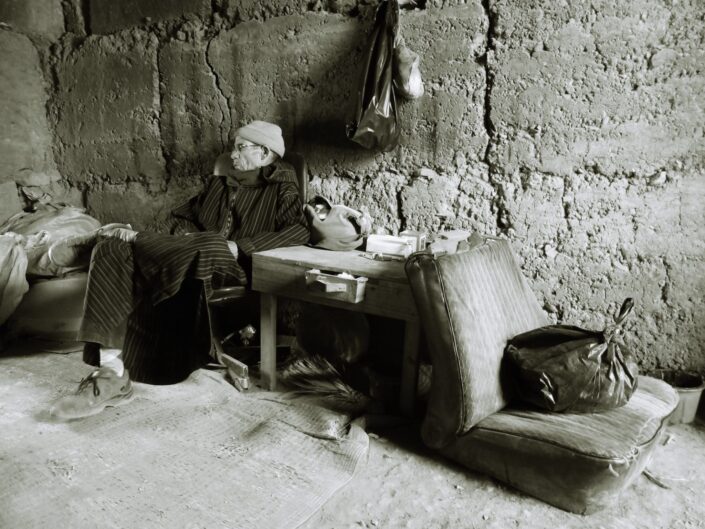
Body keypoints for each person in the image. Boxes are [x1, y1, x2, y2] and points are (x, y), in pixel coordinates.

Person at [50, 120, 309, 420]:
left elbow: (298, 232)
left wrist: (242, 247)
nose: (232, 154)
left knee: (211, 242)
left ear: (264, 153)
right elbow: (184, 217)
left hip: (234, 266)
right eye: (233, 147)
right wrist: (183, 235)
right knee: (111, 248)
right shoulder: (219, 183)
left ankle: (134, 238)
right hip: (187, 256)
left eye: (240, 148)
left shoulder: (283, 188)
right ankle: (112, 374)